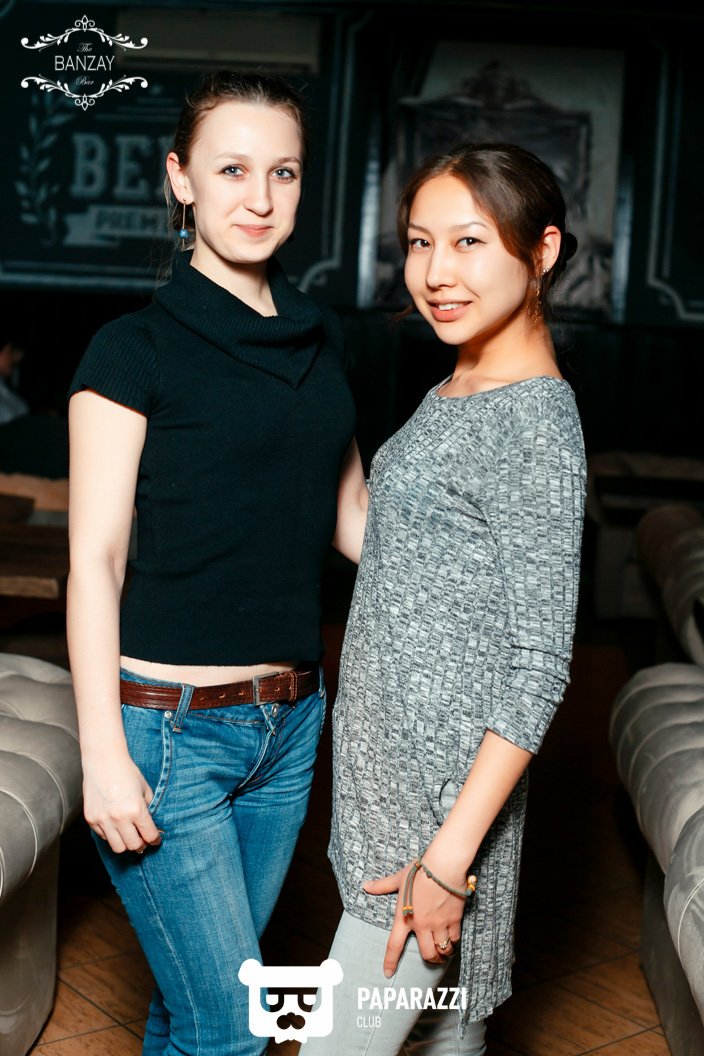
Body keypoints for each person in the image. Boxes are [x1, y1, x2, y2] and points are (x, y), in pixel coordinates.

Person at [66, 70, 356, 1056]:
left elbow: (352, 519)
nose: (260, 197)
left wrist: (490, 567)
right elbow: (95, 561)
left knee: (189, 1009)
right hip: (165, 735)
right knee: (232, 1023)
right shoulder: (131, 350)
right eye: (231, 170)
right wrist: (102, 756)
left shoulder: (319, 338)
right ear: (180, 178)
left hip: (290, 725)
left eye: (284, 172)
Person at [308, 143, 587, 1054]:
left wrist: (447, 860)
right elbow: (391, 549)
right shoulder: (460, 383)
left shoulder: (532, 420)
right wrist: (307, 400)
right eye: (420, 243)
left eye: (469, 241)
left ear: (541, 251)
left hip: (431, 824)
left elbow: (539, 667)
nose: (435, 273)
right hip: (394, 801)